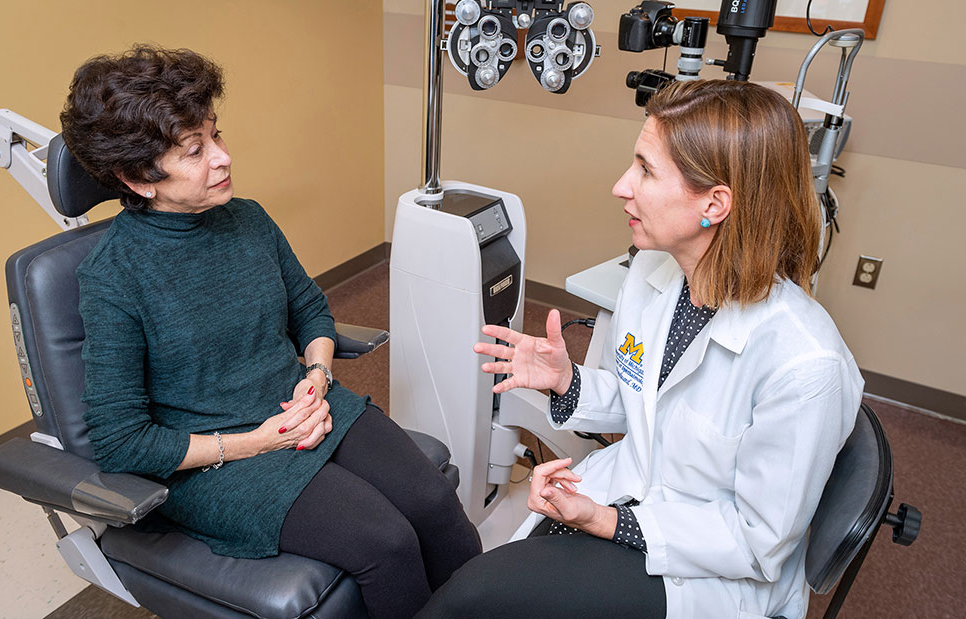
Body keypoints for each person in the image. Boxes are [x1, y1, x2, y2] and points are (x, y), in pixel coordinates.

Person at [419, 79, 863, 619]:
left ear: (715, 203)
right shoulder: (655, 273)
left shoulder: (805, 365)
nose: (620, 186)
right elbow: (643, 401)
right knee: (493, 585)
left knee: (476, 597)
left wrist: (604, 521)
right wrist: (567, 380)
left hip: (706, 571)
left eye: (646, 170)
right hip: (625, 493)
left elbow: (759, 543)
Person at [62, 45, 480, 619]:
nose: (222, 158)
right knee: (385, 542)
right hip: (219, 459)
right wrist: (261, 440)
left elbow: (309, 308)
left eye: (216, 136)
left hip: (305, 405)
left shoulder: (249, 219)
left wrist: (316, 374)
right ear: (138, 178)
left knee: (434, 503)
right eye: (195, 150)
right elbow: (121, 440)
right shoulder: (113, 276)